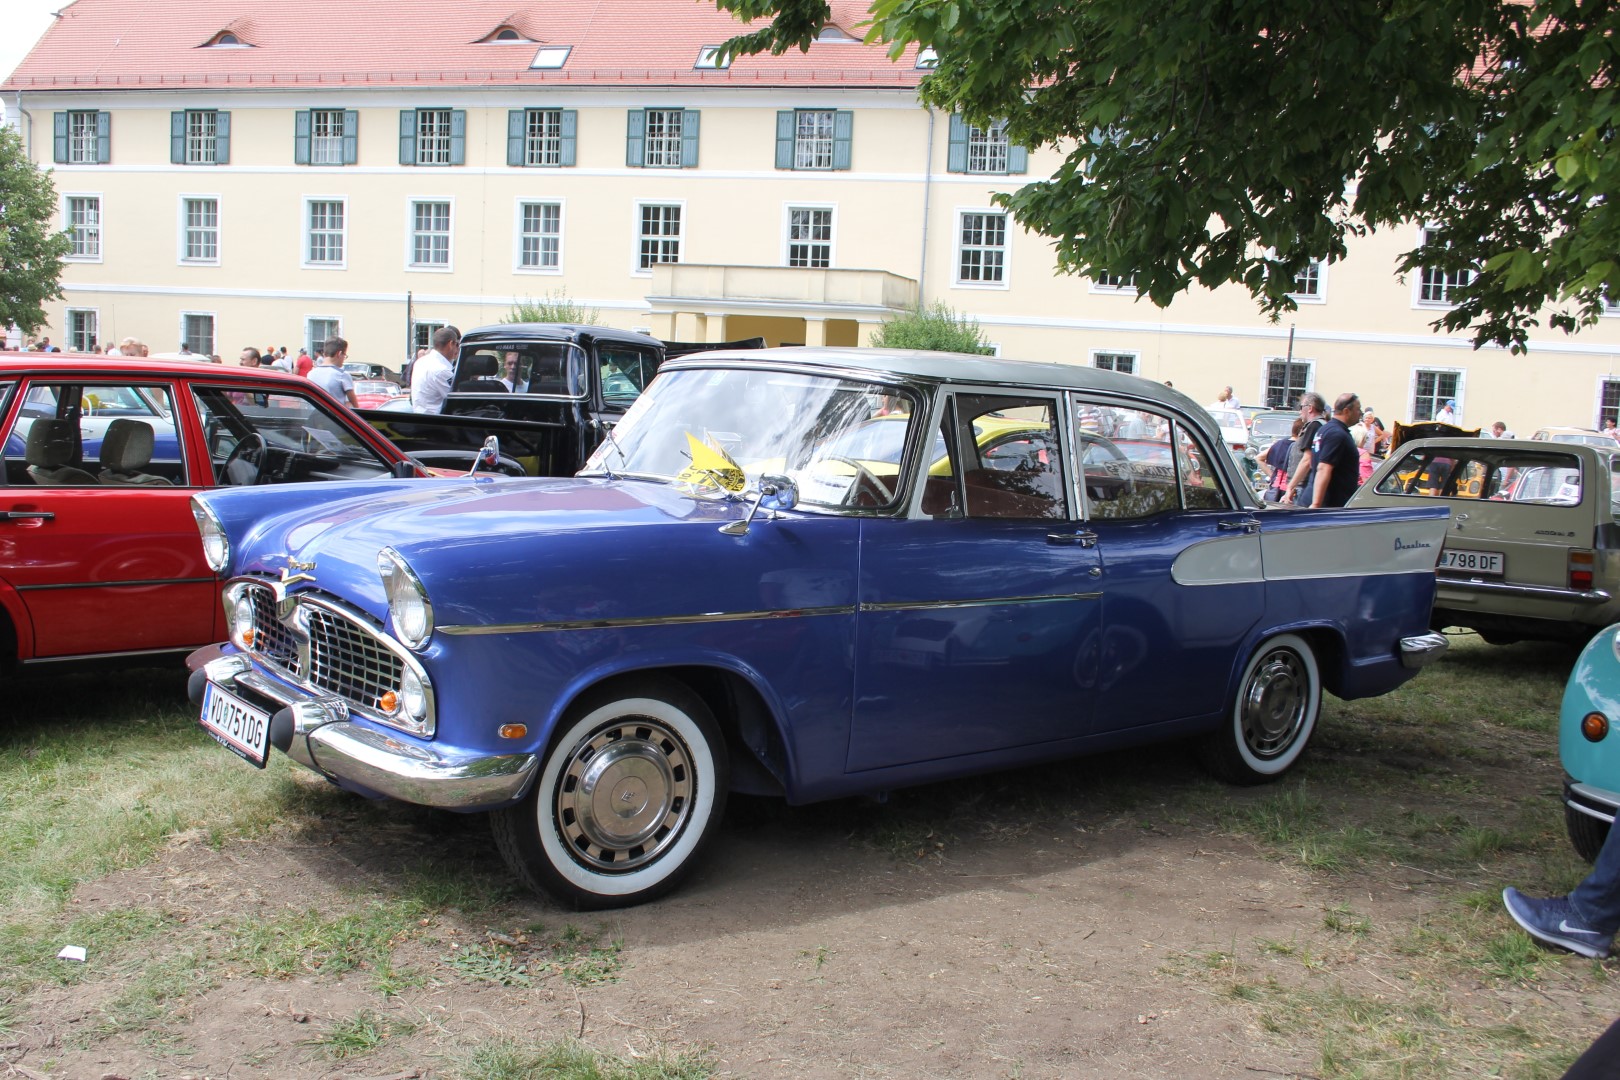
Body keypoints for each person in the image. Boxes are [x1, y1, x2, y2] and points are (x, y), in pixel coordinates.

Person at [1307, 392, 1363, 508]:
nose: (1360, 413)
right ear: (1346, 411)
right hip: (1329, 506)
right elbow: (1323, 468)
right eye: (1358, 409)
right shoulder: (1337, 434)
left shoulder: (1325, 430)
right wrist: (1316, 504)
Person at [1281, 392, 1327, 506]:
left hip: (1303, 486)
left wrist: (1291, 487)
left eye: (1301, 407)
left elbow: (1307, 460)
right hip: (1301, 485)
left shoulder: (1315, 425)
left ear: (1310, 408)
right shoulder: (1318, 425)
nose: (1299, 411)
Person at [411, 326, 460, 413]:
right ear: (450, 344)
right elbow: (457, 398)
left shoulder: (420, 362)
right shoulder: (442, 370)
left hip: (420, 416)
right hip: (436, 421)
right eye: (457, 344)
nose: (458, 348)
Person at [308, 337, 359, 406]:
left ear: (324, 353)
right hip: (334, 416)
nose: (344, 359)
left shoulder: (311, 374)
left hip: (313, 415)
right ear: (339, 353)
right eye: (344, 355)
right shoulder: (342, 375)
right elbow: (354, 405)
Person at [1261, 418, 1301, 502]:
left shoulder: (1279, 444)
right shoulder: (1299, 447)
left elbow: (1259, 458)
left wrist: (1273, 477)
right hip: (1289, 490)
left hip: (1275, 488)